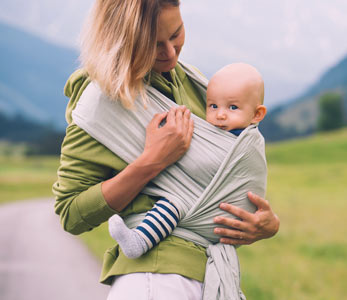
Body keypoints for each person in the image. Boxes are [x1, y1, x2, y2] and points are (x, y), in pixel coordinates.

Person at [52, 1, 279, 299]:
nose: (170, 53)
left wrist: (266, 224)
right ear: (122, 41)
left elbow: (223, 175)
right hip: (154, 280)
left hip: (210, 276)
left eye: (176, 34)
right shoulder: (101, 105)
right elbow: (71, 213)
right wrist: (151, 161)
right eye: (153, 45)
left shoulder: (195, 84)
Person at [108, 63, 267, 259]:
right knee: (175, 201)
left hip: (227, 216)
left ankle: (139, 241)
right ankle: (140, 239)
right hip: (215, 214)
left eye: (233, 107)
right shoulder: (215, 133)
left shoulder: (246, 143)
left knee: (175, 202)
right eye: (213, 106)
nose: (220, 115)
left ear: (257, 114)